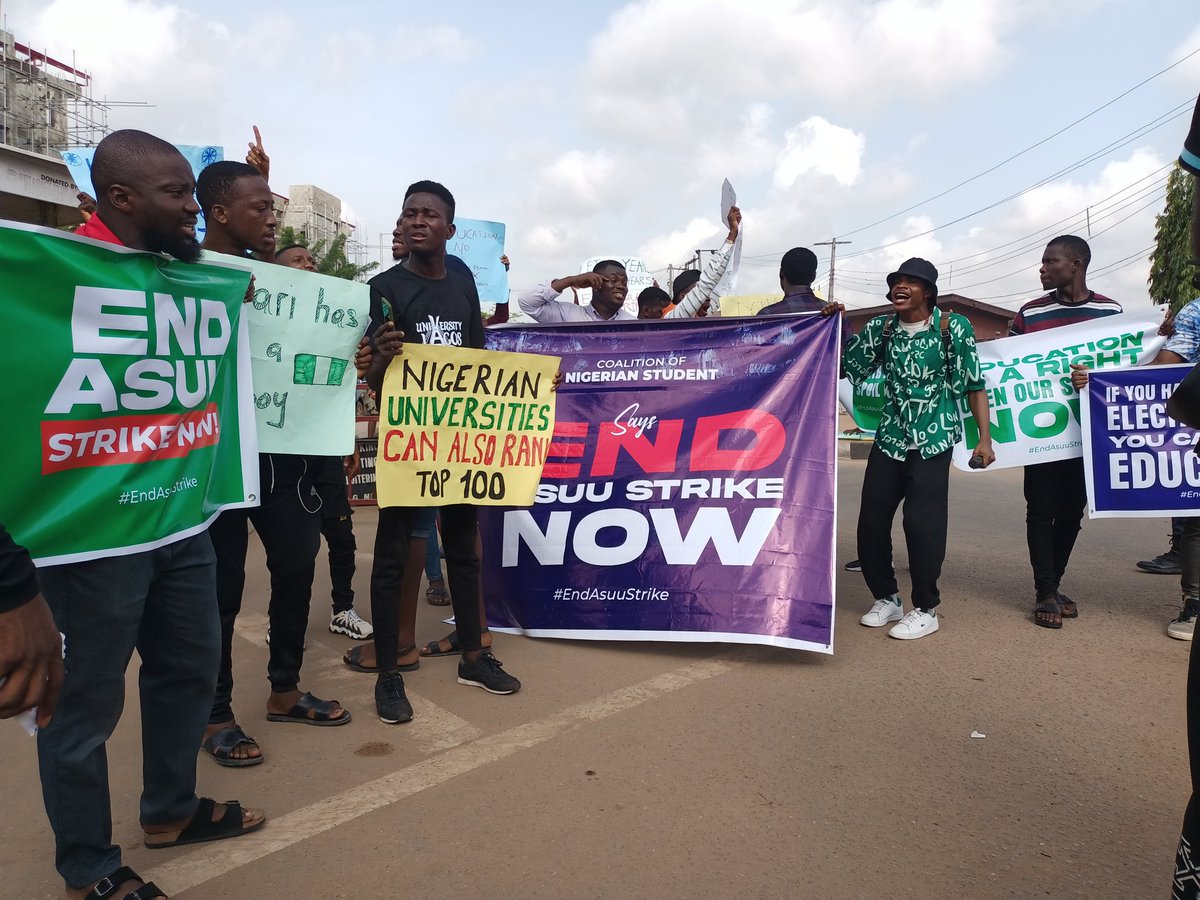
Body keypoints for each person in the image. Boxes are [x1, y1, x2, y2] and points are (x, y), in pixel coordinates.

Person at [34, 129, 263, 900]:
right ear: (121, 199)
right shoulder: (53, 276)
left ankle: (170, 810)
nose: (193, 212)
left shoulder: (186, 275)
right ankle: (89, 866)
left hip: (182, 521)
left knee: (188, 672)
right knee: (83, 706)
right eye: (177, 195)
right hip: (91, 541)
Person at [198, 161, 351, 770]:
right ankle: (215, 713)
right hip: (214, 462)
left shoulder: (291, 290)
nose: (271, 219)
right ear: (220, 214)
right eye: (260, 208)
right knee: (220, 591)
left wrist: (356, 353)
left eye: (273, 209)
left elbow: (321, 357)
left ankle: (285, 690)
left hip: (283, 458)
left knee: (295, 567)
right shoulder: (185, 272)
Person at [364, 180, 523, 724]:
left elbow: (478, 353)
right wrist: (381, 360)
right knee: (392, 555)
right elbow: (372, 378)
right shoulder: (382, 287)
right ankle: (389, 674)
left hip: (459, 438)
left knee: (464, 547)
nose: (416, 221)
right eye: (409, 213)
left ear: (449, 230)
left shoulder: (460, 280)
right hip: (410, 442)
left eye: (429, 214)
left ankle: (474, 656)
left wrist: (521, 392)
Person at [823, 258, 995, 640]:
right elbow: (848, 365)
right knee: (871, 521)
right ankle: (887, 598)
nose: (899, 287)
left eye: (909, 282)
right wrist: (839, 325)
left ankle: (926, 608)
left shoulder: (952, 327)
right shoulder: (882, 328)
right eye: (895, 282)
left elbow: (973, 384)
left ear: (927, 291)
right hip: (891, 436)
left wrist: (984, 438)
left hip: (934, 439)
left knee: (921, 524)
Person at [1009, 236, 1122, 628]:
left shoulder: (1111, 313)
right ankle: (1045, 592)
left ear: (1076, 264)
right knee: (1040, 510)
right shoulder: (1030, 314)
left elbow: (1124, 371)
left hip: (1088, 433)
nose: (1042, 269)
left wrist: (1095, 377)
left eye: (1050, 261)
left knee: (1072, 511)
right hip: (1039, 433)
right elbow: (1007, 368)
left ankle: (1051, 583)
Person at [273, 242, 376, 639]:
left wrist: (346, 439)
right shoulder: (266, 324)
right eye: (298, 260)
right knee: (288, 549)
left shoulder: (334, 327)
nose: (309, 263)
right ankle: (281, 620)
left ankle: (343, 608)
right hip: (280, 452)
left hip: (324, 450)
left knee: (341, 534)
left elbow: (339, 387)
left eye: (310, 259)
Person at [665, 206, 743, 318]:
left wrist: (735, 238)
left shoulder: (699, 318)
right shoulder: (672, 319)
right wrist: (732, 233)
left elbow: (724, 281)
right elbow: (708, 282)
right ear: (683, 297)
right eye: (698, 292)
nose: (707, 297)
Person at [518, 259, 635, 322]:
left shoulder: (632, 323)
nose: (621, 286)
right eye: (613, 280)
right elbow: (527, 302)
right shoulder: (567, 315)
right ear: (595, 283)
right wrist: (571, 280)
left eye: (624, 283)